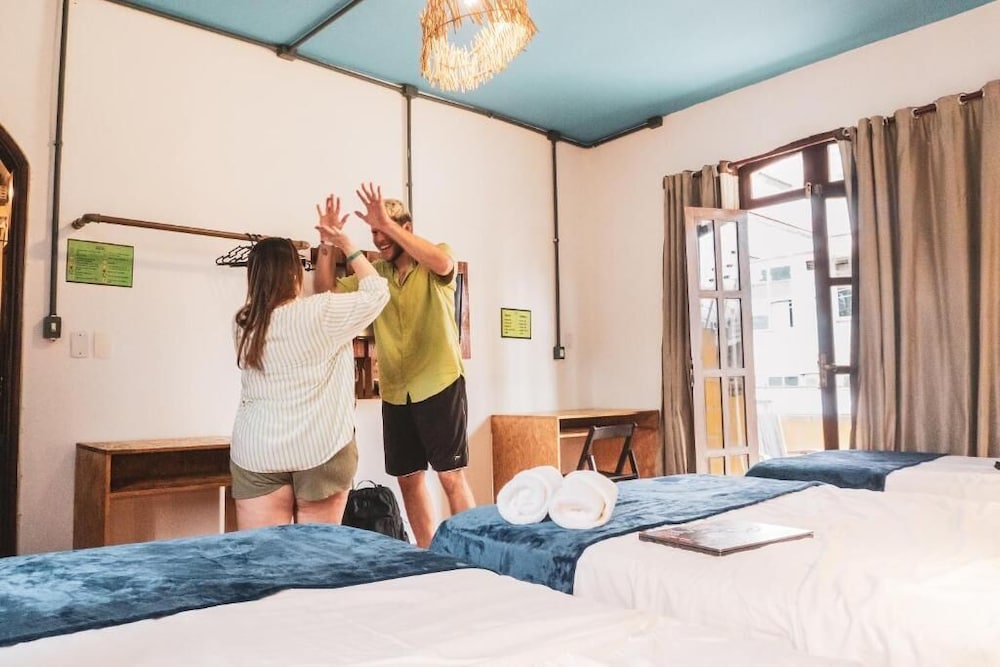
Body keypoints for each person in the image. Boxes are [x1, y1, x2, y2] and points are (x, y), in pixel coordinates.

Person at [318, 183, 475, 547]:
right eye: (374, 232)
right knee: (408, 478)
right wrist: (327, 244)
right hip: (395, 390)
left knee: (450, 476)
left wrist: (388, 225)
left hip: (439, 383)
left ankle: (471, 556)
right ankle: (429, 553)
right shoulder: (375, 274)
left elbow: (444, 264)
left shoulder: (435, 259)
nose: (378, 238)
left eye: (384, 230)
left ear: (406, 227)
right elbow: (327, 295)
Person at [230, 193, 389, 530]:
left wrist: (325, 246)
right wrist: (344, 242)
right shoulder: (321, 313)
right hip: (321, 448)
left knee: (264, 554)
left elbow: (303, 317)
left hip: (258, 450)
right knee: (316, 555)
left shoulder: (244, 322)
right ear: (294, 275)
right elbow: (377, 291)